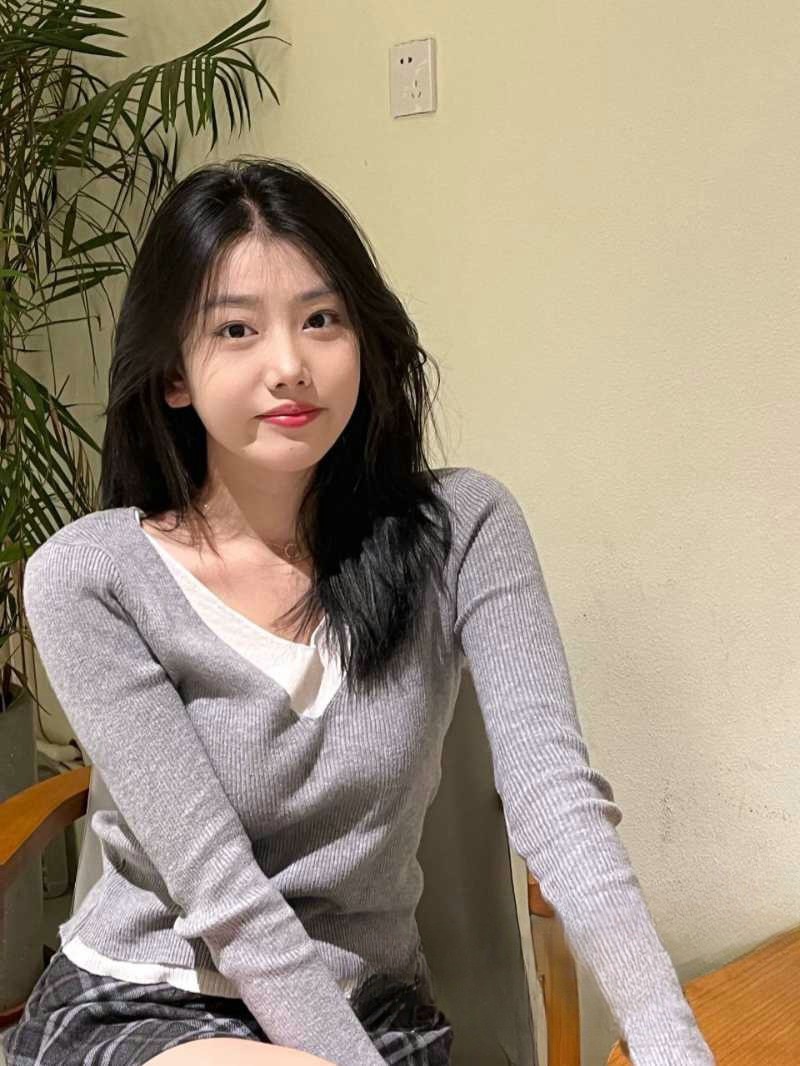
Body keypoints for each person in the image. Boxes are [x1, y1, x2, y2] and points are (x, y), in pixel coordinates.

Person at [3, 157, 715, 1066]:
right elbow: (225, 899)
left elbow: (558, 804)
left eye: (321, 319)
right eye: (235, 329)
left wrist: (673, 1044)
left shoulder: (466, 528)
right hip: (151, 1001)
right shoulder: (93, 576)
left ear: (365, 342)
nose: (289, 366)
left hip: (367, 1010)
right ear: (174, 374)